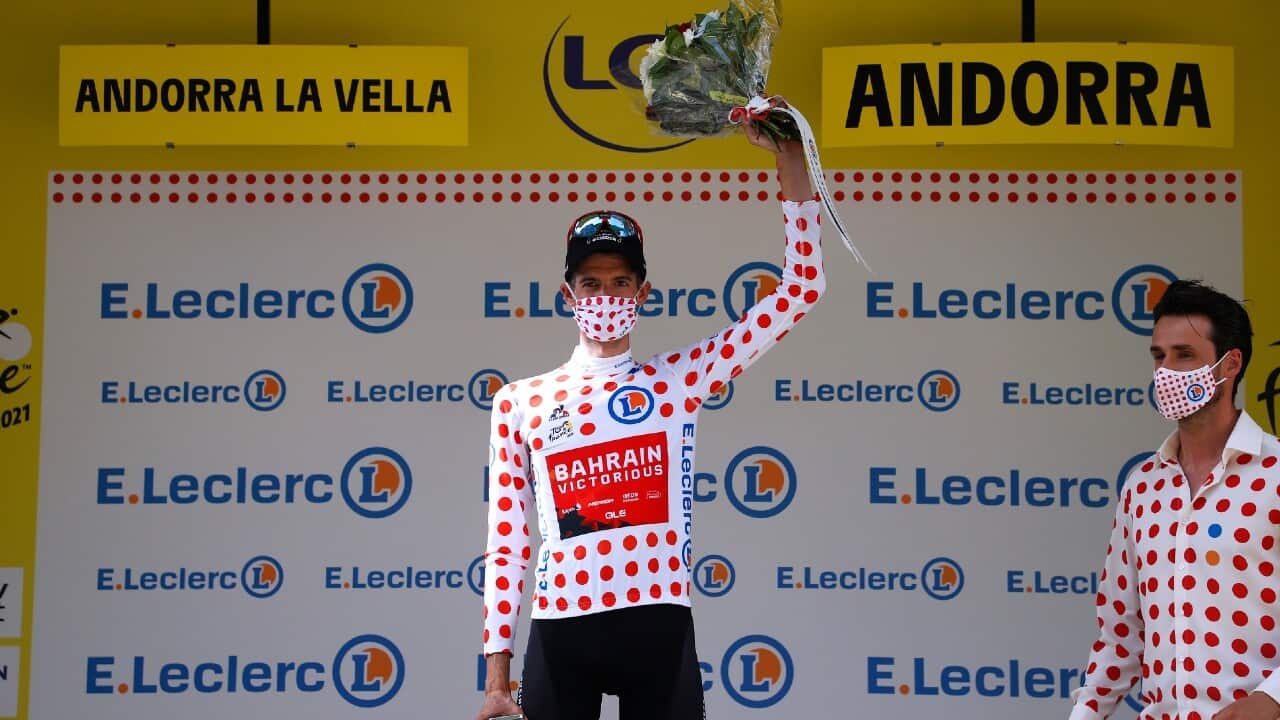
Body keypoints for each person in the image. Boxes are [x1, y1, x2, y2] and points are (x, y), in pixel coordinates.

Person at [474, 120, 824, 720]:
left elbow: (801, 288)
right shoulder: (520, 401)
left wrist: (791, 158)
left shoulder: (679, 380)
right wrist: (497, 676)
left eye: (619, 282)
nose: (604, 295)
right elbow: (507, 544)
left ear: (642, 292)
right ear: (568, 294)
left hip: (657, 621)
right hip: (563, 627)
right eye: (591, 283)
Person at [1069, 280, 1280, 720]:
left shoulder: (1276, 473)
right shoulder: (1142, 486)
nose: (1166, 371)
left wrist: (1272, 699)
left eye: (1185, 355)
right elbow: (1120, 636)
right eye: (1158, 357)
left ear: (1230, 365)